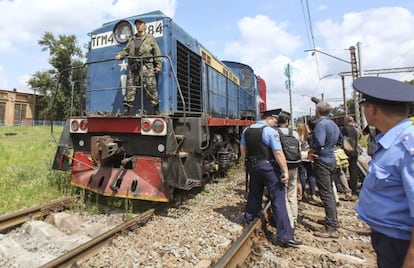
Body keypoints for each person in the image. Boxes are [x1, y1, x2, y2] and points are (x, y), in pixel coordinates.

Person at [353, 76, 414, 268]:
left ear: (372, 109)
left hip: (400, 244)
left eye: (364, 105)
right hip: (389, 238)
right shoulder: (390, 142)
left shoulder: (407, 149)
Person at [240, 110, 302, 248]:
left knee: (254, 193)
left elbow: (243, 148)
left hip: (253, 165)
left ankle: (249, 220)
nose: (276, 123)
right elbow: (278, 152)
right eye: (274, 120)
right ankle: (285, 236)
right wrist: (285, 170)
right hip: (268, 167)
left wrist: (246, 164)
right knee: (278, 198)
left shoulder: (247, 130)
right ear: (268, 119)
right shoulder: (270, 132)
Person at [309, 101, 343, 238]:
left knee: (326, 193)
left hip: (322, 161)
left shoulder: (320, 125)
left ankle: (331, 227)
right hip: (331, 159)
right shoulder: (333, 124)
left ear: (317, 111)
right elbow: (340, 141)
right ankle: (333, 220)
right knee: (329, 190)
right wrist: (330, 149)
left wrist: (313, 151)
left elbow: (319, 143)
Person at [115, 19, 162, 114]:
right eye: (137, 24)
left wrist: (158, 65)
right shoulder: (132, 39)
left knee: (150, 87)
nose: (138, 26)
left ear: (145, 26)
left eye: (140, 24)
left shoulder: (150, 38)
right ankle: (127, 109)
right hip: (133, 66)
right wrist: (120, 55)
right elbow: (126, 50)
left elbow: (157, 52)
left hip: (146, 66)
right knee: (130, 87)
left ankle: (156, 108)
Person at [277, 112, 300, 227]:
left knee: (283, 193)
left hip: (282, 166)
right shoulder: (294, 133)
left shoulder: (276, 133)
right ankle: (294, 217)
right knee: (292, 192)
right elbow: (299, 149)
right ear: (287, 122)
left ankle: (289, 221)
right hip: (294, 164)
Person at [340, 116, 361, 196]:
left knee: (343, 170)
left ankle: (345, 188)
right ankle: (354, 188)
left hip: (345, 152)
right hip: (354, 152)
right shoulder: (356, 130)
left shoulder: (343, 129)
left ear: (345, 121)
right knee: (353, 171)